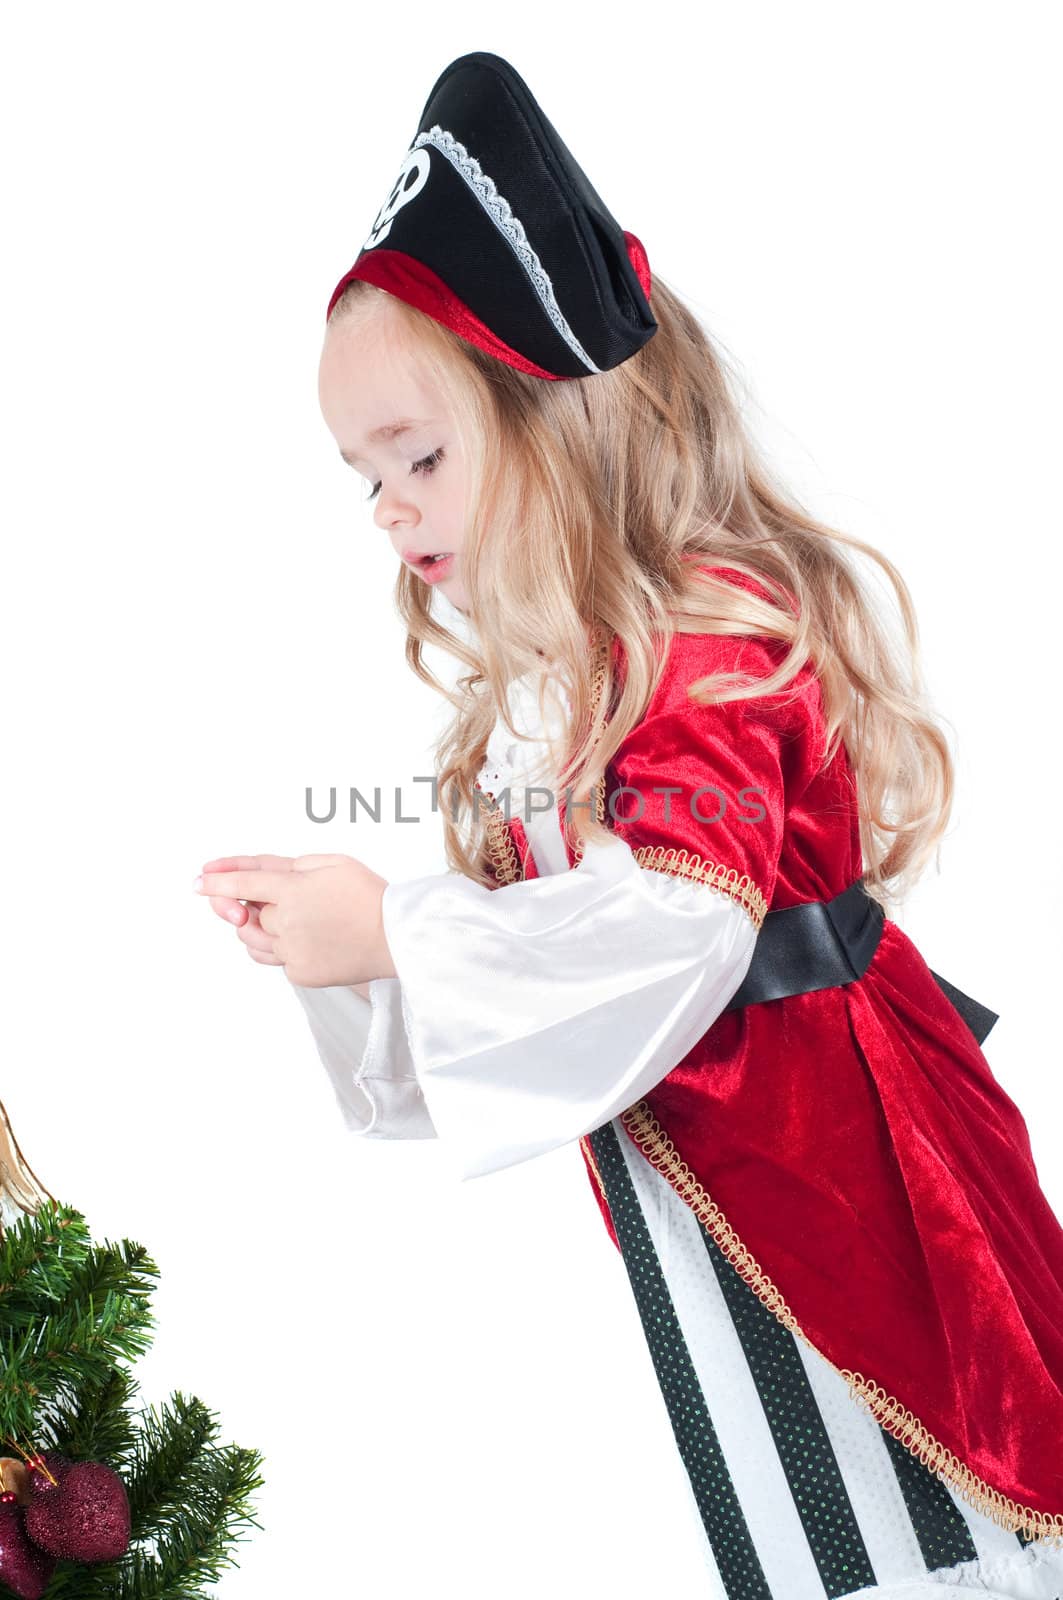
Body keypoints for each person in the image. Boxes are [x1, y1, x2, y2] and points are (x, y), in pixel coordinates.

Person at [193, 52, 1063, 1599]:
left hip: (847, 1189)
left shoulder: (708, 646)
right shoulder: (575, 679)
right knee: (810, 1530)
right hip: (724, 1197)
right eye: (364, 474)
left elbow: (672, 933)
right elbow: (547, 1007)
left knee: (925, 1532)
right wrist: (349, 964)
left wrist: (393, 928)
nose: (390, 509)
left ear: (565, 420)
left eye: (423, 453)